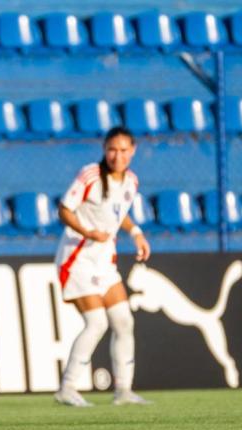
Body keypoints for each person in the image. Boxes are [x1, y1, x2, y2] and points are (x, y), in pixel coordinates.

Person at [53, 126, 152, 407]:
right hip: (77, 260)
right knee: (96, 323)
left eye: (123, 150)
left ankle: (123, 391)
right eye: (112, 149)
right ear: (104, 150)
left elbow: (119, 214)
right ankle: (67, 388)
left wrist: (136, 233)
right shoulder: (90, 176)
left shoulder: (131, 181)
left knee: (123, 321)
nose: (117, 156)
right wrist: (88, 232)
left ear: (132, 151)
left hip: (104, 262)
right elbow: (64, 209)